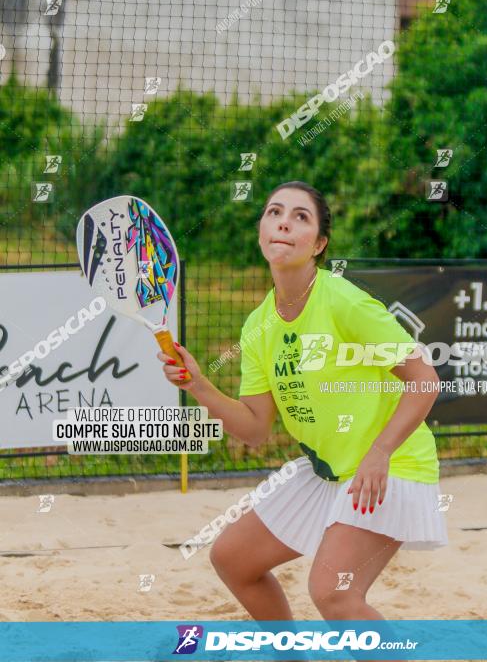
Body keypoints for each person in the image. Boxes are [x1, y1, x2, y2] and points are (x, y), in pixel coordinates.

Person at [158, 181, 448, 623]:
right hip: (329, 472)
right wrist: (199, 386)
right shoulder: (258, 325)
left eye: (301, 217)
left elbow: (425, 380)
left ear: (319, 244)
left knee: (333, 593)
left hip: (390, 466)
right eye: (275, 212)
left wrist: (380, 452)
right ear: (261, 231)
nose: (284, 222)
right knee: (233, 559)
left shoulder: (344, 301)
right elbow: (255, 429)